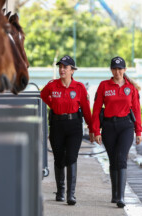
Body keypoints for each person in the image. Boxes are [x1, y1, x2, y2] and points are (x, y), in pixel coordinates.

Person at [40, 55, 94, 205]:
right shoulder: (52, 85)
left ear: (72, 70)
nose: (62, 70)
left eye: (65, 67)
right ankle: (61, 191)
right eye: (60, 67)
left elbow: (86, 110)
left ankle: (71, 194)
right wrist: (54, 106)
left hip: (74, 126)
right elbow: (43, 95)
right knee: (58, 158)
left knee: (71, 157)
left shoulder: (79, 87)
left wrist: (92, 128)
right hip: (57, 125)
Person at [91, 56, 142, 208]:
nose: (117, 71)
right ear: (111, 70)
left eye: (120, 69)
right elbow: (97, 109)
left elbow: (136, 110)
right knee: (113, 159)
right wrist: (95, 130)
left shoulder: (130, 88)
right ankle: (115, 194)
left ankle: (121, 197)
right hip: (108, 127)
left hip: (126, 126)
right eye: (114, 69)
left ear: (124, 70)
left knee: (121, 157)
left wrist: (138, 130)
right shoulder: (104, 86)